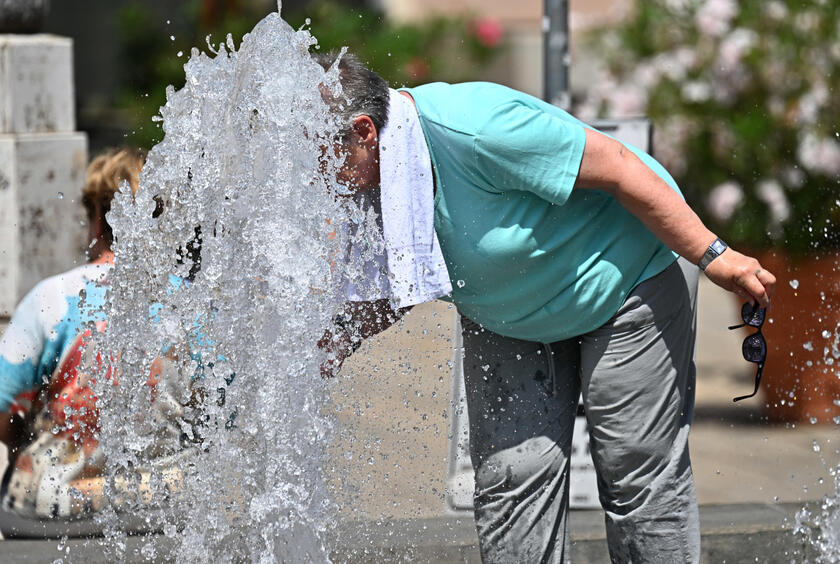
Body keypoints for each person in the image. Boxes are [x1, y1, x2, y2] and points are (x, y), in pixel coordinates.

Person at [315, 52, 776, 563]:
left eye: (311, 155)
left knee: (634, 471)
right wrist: (325, 349)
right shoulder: (369, 177)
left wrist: (715, 255)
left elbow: (621, 166)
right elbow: (388, 281)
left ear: (363, 131)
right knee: (511, 483)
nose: (307, 178)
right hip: (508, 316)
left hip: (622, 282)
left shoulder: (476, 128)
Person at [0, 148, 185, 521]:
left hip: (56, 502)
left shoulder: (50, 299)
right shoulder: (190, 303)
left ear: (97, 220)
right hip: (167, 499)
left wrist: (24, 441)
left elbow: (2, 410)